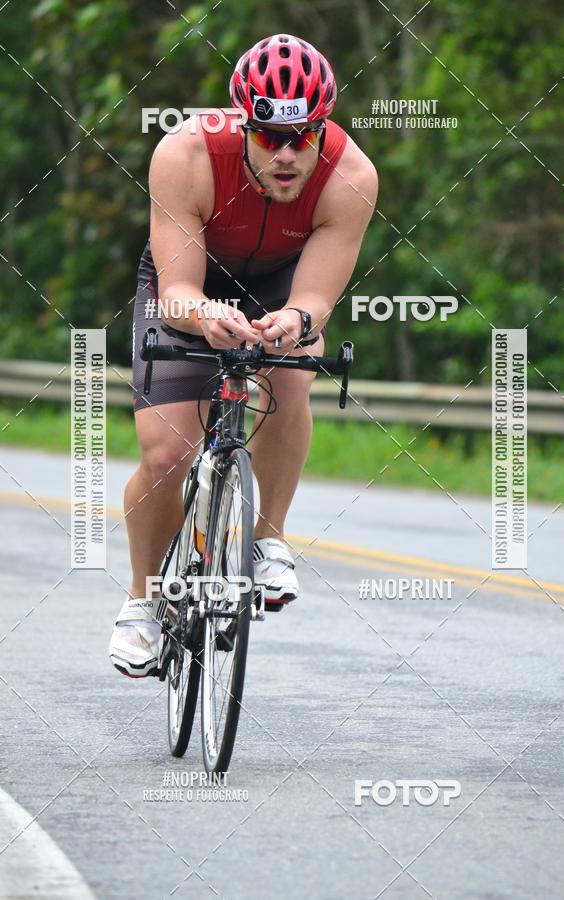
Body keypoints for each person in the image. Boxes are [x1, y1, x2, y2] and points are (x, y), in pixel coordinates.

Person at [109, 33, 378, 677]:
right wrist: (203, 314)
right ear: (242, 121)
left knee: (292, 378)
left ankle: (268, 537)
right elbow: (176, 290)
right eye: (267, 136)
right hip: (189, 284)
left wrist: (297, 320)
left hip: (281, 282)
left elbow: (315, 298)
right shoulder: (186, 154)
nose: (286, 155)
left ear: (323, 127)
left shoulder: (352, 176)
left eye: (303, 136)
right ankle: (143, 601)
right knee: (167, 453)